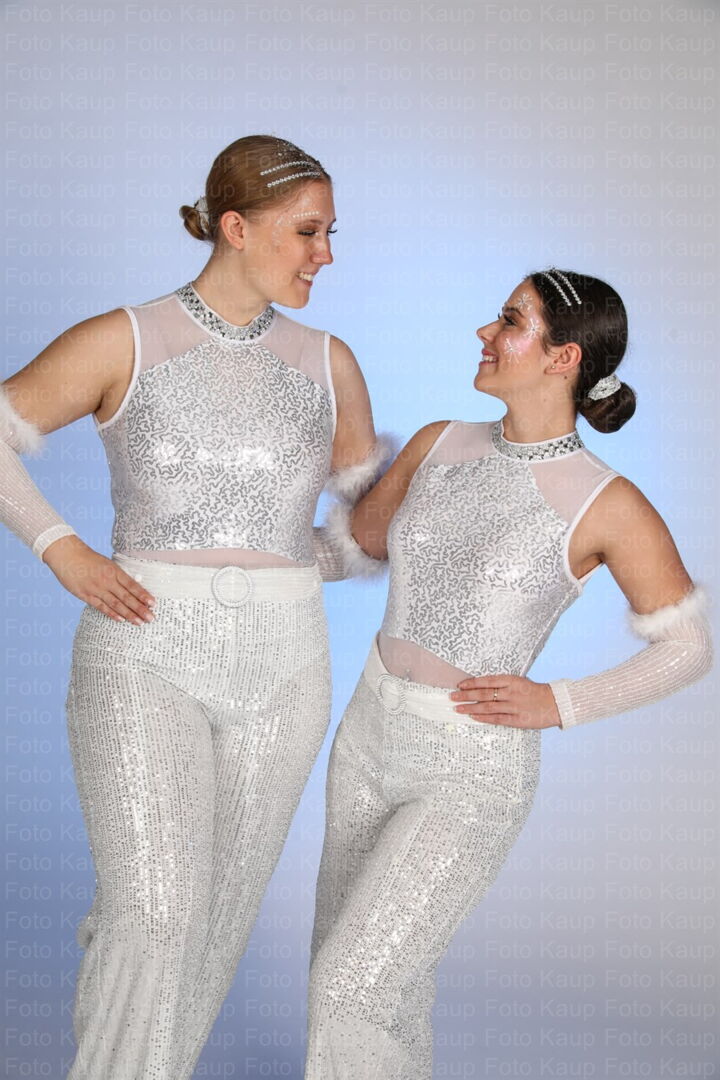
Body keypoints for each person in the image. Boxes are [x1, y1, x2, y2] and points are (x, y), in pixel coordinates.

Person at [0, 134, 392, 1080]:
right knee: (155, 913)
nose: (325, 254)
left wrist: (322, 549)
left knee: (215, 920)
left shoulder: (329, 362)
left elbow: (359, 541)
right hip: (146, 646)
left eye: (331, 233)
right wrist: (62, 548)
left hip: (286, 663)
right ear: (235, 226)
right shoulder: (124, 339)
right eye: (307, 231)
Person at [304, 268, 713, 1079]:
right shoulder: (439, 442)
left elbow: (688, 647)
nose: (485, 334)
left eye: (510, 321)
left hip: (470, 768)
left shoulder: (606, 502)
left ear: (564, 357)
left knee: (351, 989)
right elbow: (356, 546)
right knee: (368, 983)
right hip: (368, 735)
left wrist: (560, 702)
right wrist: (224, 553)